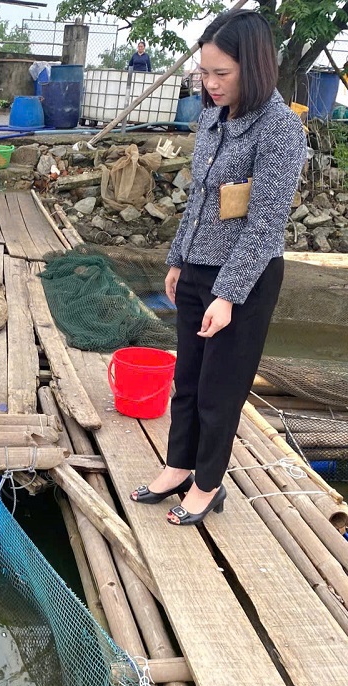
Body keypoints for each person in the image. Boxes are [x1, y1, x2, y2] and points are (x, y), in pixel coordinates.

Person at [129, 10, 307, 526]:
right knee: (186, 379)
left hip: (245, 280)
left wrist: (228, 294)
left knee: (219, 389)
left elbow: (265, 224)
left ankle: (208, 484)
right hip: (197, 269)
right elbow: (200, 199)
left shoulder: (279, 130)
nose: (209, 84)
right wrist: (178, 260)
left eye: (220, 74)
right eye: (204, 73)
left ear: (253, 67)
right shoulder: (212, 115)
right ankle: (177, 465)